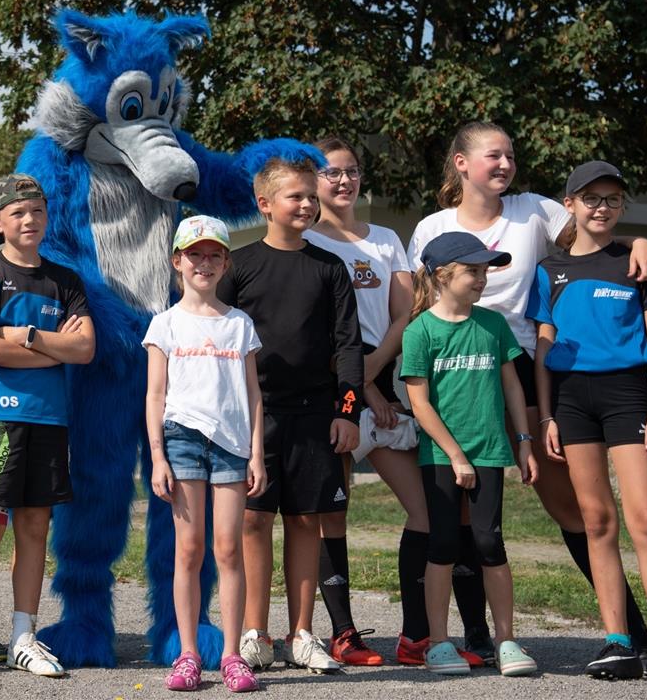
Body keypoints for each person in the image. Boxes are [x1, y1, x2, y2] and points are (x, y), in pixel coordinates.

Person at [407, 120, 647, 673]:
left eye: (511, 155)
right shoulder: (431, 227)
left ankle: (631, 634)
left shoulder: (534, 210)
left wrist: (642, 240)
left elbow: (594, 237)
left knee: (567, 504)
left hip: (519, 363)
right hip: (453, 367)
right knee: (457, 505)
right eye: (494, 155)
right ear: (462, 164)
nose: (505, 164)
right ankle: (470, 636)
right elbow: (413, 304)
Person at [302, 137, 486, 668]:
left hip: (376, 385)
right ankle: (343, 634)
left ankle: (415, 637)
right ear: (313, 181)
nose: (343, 181)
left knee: (427, 512)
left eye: (352, 171)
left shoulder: (384, 239)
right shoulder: (307, 243)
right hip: (336, 393)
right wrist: (366, 389)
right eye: (332, 172)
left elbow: (405, 315)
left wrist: (374, 381)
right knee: (329, 517)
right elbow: (318, 334)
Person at [0, 174, 94, 679]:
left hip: (49, 418)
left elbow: (85, 349)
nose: (29, 220)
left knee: (34, 526)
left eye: (37, 211)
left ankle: (23, 636)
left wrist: (26, 335)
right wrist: (53, 348)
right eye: (18, 213)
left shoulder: (65, 280)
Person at [217, 156, 362, 675]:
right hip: (254, 417)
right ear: (264, 204)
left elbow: (348, 346)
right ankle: (255, 632)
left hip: (316, 415)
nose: (305, 203)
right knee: (254, 520)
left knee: (306, 522)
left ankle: (301, 632)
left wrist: (348, 411)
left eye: (310, 195)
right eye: (293, 196)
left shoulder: (329, 267)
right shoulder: (238, 264)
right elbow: (218, 338)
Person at [527, 160, 647, 680]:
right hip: (570, 400)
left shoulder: (638, 262)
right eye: (591, 198)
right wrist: (547, 419)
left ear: (621, 206)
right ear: (570, 204)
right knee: (597, 522)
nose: (601, 207)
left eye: (611, 199)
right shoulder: (549, 270)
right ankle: (618, 642)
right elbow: (543, 348)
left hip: (628, 395)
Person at [401, 231, 539, 676]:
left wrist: (523, 442)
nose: (482, 279)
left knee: (488, 542)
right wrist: (456, 455)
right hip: (442, 457)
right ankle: (439, 643)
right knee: (442, 544)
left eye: (485, 271)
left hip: (491, 450)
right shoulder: (419, 330)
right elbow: (419, 404)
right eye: (473, 271)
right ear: (442, 275)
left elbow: (513, 386)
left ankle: (506, 641)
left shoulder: (494, 325)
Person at [145, 215, 266, 693]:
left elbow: (254, 395)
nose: (205, 263)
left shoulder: (239, 324)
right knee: (189, 550)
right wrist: (158, 456)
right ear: (177, 260)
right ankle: (188, 653)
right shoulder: (166, 323)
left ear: (226, 263)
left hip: (233, 446)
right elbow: (155, 394)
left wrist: (257, 454)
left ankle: (233, 655)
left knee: (229, 549)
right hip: (182, 440)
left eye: (215, 254)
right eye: (195, 254)